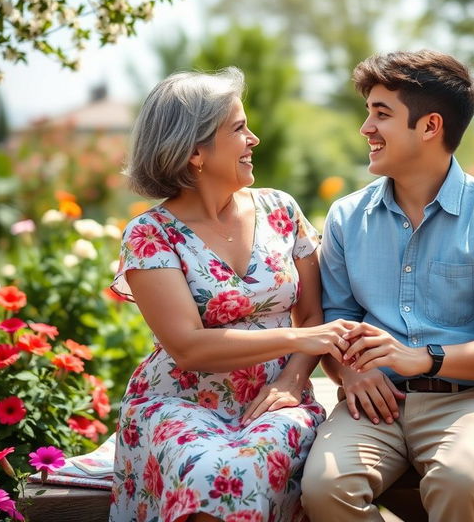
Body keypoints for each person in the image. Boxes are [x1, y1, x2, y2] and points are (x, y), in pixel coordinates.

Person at [301, 50, 474, 522]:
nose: (365, 128)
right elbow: (334, 320)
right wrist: (350, 373)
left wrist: (426, 357)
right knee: (324, 488)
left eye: (381, 114)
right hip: (374, 403)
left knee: (461, 481)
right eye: (368, 112)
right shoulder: (347, 218)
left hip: (470, 401)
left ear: (430, 126)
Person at [108, 68, 353, 522]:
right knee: (208, 473)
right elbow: (188, 346)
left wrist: (294, 379)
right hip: (180, 401)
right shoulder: (149, 234)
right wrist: (301, 340)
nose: (254, 139)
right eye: (239, 128)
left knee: (245, 467)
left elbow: (313, 312)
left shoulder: (281, 210)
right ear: (195, 151)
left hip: (276, 397)